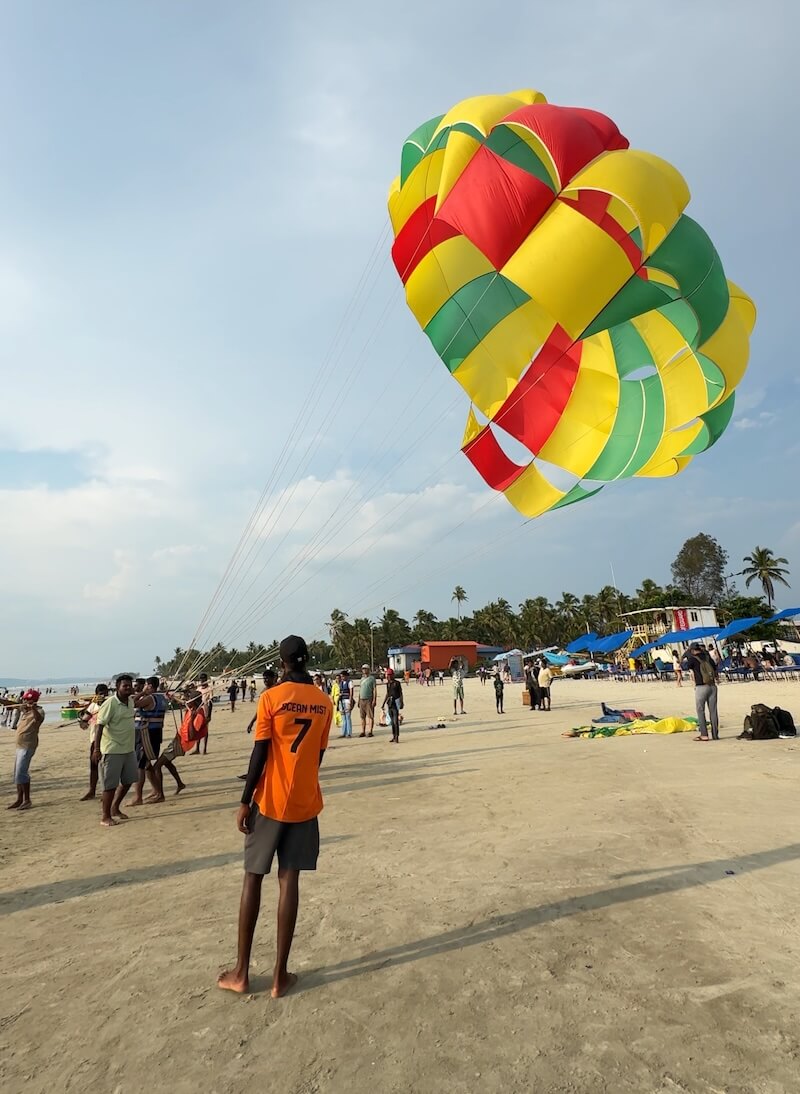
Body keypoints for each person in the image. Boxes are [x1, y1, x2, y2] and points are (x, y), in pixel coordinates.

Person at [218, 635, 332, 998]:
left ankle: (241, 973)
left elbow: (260, 755)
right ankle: (281, 976)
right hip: (305, 801)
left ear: (282, 662)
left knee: (253, 877)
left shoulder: (270, 698)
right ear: (306, 659)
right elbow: (317, 756)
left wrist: (244, 799)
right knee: (289, 880)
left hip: (270, 800)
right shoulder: (324, 702)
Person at [94, 674, 137, 827]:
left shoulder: (130, 701)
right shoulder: (110, 703)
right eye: (125, 686)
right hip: (111, 749)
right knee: (110, 785)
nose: (128, 688)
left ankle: (115, 808)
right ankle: (105, 817)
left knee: (128, 780)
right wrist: (96, 749)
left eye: (129, 685)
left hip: (128, 749)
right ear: (118, 687)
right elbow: (99, 725)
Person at [3, 689, 45, 811]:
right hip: (19, 745)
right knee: (17, 774)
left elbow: (38, 719)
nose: (25, 701)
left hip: (28, 745)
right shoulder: (24, 709)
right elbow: (9, 703)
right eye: (25, 699)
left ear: (34, 700)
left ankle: (27, 800)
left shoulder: (39, 711)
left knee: (21, 773)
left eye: (28, 699)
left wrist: (32, 708)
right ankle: (19, 799)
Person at [80, 683, 108, 800]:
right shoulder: (93, 706)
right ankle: (92, 791)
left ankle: (105, 791)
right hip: (94, 739)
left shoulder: (110, 704)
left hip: (107, 739)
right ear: (96, 695)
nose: (102, 696)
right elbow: (83, 724)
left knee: (105, 767)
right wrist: (83, 721)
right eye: (100, 694)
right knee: (94, 765)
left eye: (104, 694)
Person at [685, 643, 719, 742]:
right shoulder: (708, 657)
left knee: (701, 710)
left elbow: (685, 666)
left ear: (692, 650)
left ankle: (704, 734)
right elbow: (715, 667)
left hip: (701, 686)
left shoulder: (693, 659)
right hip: (712, 686)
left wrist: (687, 654)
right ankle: (715, 734)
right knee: (713, 711)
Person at [382, 668, 403, 743]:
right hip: (389, 703)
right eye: (388, 675)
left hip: (395, 703)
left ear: (393, 675)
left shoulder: (397, 683)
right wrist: (383, 703)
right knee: (391, 722)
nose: (389, 676)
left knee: (395, 721)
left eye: (390, 675)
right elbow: (387, 694)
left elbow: (400, 693)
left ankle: (397, 736)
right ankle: (394, 736)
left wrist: (401, 702)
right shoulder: (388, 684)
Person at [357, 664, 376, 738]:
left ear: (368, 669)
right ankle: (363, 731)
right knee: (362, 716)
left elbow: (374, 690)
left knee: (370, 716)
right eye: (363, 669)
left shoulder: (372, 678)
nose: (364, 670)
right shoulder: (361, 679)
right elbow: (360, 690)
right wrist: (359, 700)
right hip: (362, 699)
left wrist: (374, 699)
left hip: (369, 699)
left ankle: (370, 731)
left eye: (365, 669)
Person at [338, 670, 353, 738]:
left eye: (343, 676)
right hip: (342, 700)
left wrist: (350, 701)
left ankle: (349, 733)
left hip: (347, 700)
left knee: (348, 717)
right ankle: (343, 732)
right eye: (341, 676)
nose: (342, 678)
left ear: (346, 676)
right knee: (343, 717)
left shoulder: (349, 682)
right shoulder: (341, 683)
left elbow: (351, 692)